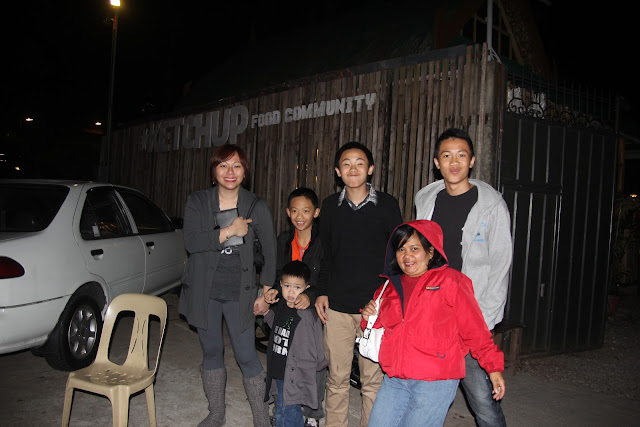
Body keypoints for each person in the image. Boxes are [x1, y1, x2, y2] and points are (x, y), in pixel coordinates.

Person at [362, 220, 506, 427]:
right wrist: (368, 316)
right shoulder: (390, 286)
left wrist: (493, 368)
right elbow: (380, 328)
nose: (407, 256)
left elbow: (475, 330)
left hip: (435, 381)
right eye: (401, 249)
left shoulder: (450, 281)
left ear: (430, 252)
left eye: (414, 248)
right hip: (395, 379)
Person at [414, 127, 513, 426]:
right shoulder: (426, 201)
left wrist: (484, 319)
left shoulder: (491, 206)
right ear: (436, 163)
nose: (454, 162)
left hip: (470, 314)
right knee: (423, 394)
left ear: (471, 161)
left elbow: (501, 265)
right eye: (447, 156)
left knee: (481, 400)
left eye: (461, 155)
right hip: (432, 312)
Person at [179, 144, 276, 427]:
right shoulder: (198, 201)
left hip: (240, 293)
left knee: (247, 356)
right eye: (223, 165)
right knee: (211, 352)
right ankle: (216, 414)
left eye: (237, 165)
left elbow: (270, 252)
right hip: (205, 292)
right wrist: (229, 231)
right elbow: (191, 242)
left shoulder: (256, 206)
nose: (230, 171)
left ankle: (261, 417)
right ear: (214, 171)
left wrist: (265, 292)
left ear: (245, 171)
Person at [314, 141, 403, 427]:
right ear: (338, 171)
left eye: (360, 163)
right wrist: (321, 292)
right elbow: (325, 254)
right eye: (347, 164)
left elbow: (397, 257)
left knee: (372, 382)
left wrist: (385, 300)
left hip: (374, 309)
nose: (353, 169)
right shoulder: (330, 206)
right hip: (338, 306)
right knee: (337, 378)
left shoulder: (387, 205)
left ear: (371, 169)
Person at [263, 187, 326, 427]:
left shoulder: (323, 242)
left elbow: (328, 276)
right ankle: (284, 402)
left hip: (312, 310)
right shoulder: (284, 240)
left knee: (311, 360)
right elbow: (279, 272)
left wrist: (310, 295)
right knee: (284, 355)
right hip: (287, 307)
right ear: (288, 212)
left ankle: (312, 411)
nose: (300, 216)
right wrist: (273, 291)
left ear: (316, 212)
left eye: (306, 211)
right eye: (295, 211)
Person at [263, 261, 328, 427]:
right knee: (283, 409)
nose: (291, 291)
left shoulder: (306, 315)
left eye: (297, 287)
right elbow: (280, 329)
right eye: (287, 286)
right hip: (279, 369)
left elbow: (316, 343)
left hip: (294, 373)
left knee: (287, 411)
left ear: (306, 288)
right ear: (280, 285)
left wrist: (318, 363)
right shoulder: (282, 306)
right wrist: (267, 314)